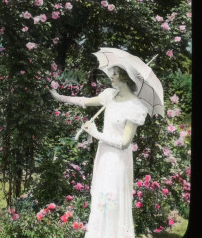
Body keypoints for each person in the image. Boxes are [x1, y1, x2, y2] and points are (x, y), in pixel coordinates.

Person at [50, 66, 148, 238]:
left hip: (118, 161)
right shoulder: (109, 95)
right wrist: (60, 97)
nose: (112, 76)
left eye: (115, 74)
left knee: (112, 199)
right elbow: (85, 101)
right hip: (104, 157)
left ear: (124, 77)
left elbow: (125, 143)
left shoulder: (135, 106)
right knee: (101, 198)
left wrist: (96, 134)